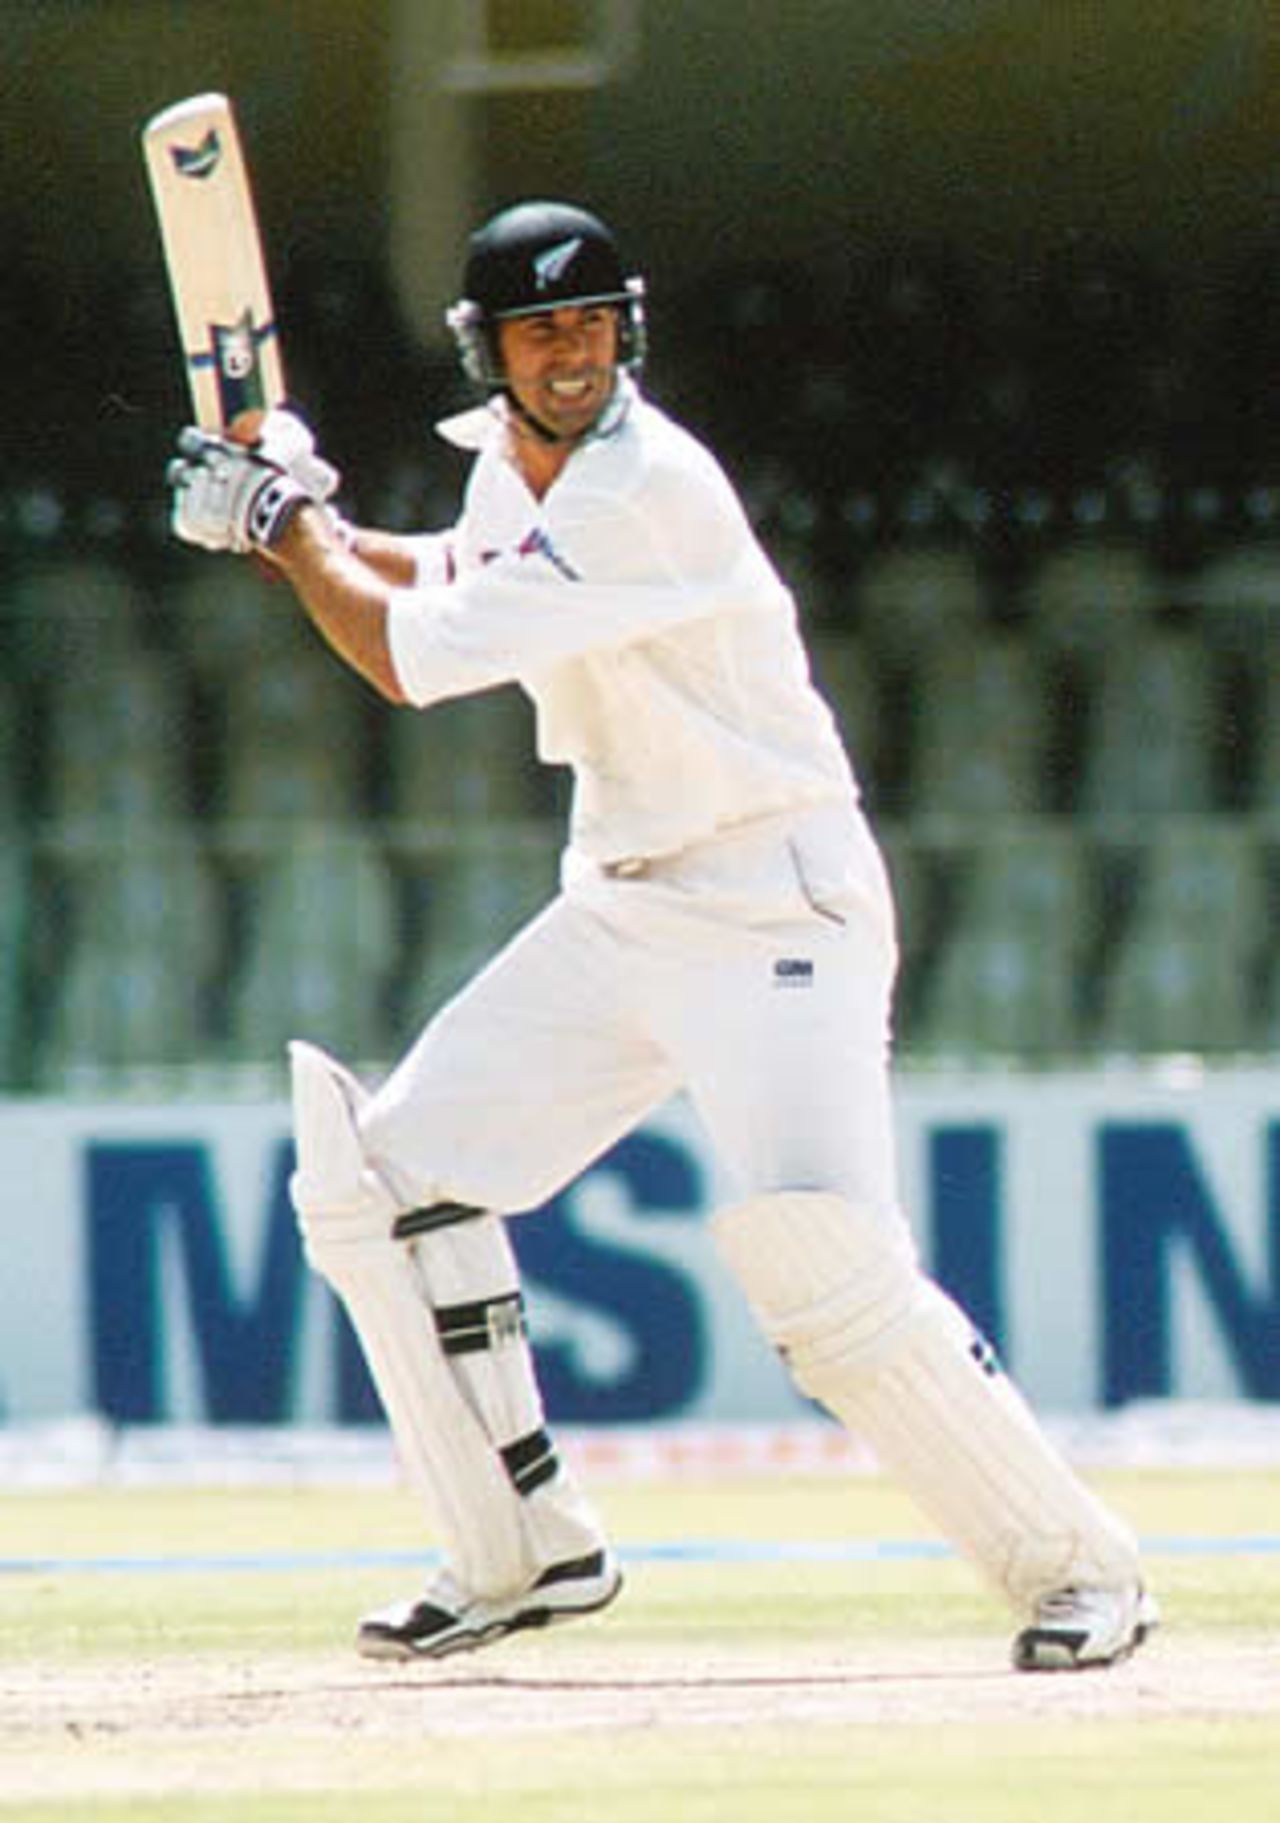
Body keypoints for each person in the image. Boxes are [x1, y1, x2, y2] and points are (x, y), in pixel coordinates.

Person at [166, 200, 1157, 1672]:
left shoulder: (648, 489)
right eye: (537, 331)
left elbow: (407, 661)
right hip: (627, 902)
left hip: (775, 903)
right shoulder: (518, 470)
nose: (569, 355)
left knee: (826, 1275)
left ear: (626, 330)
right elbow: (438, 578)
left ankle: (1085, 1576)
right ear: (489, 350)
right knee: (383, 1185)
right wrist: (294, 510)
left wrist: (287, 532)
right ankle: (519, 1552)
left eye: (590, 324)